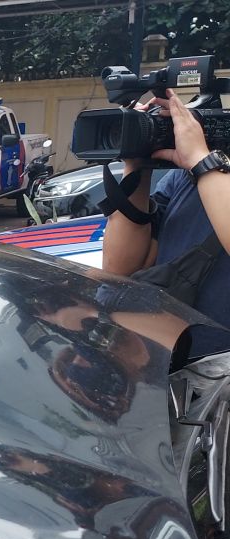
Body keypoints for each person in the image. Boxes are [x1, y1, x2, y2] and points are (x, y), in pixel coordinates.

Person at [102, 88, 230, 359]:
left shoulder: (202, 165)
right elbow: (120, 267)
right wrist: (137, 165)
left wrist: (201, 160)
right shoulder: (186, 176)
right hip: (172, 374)